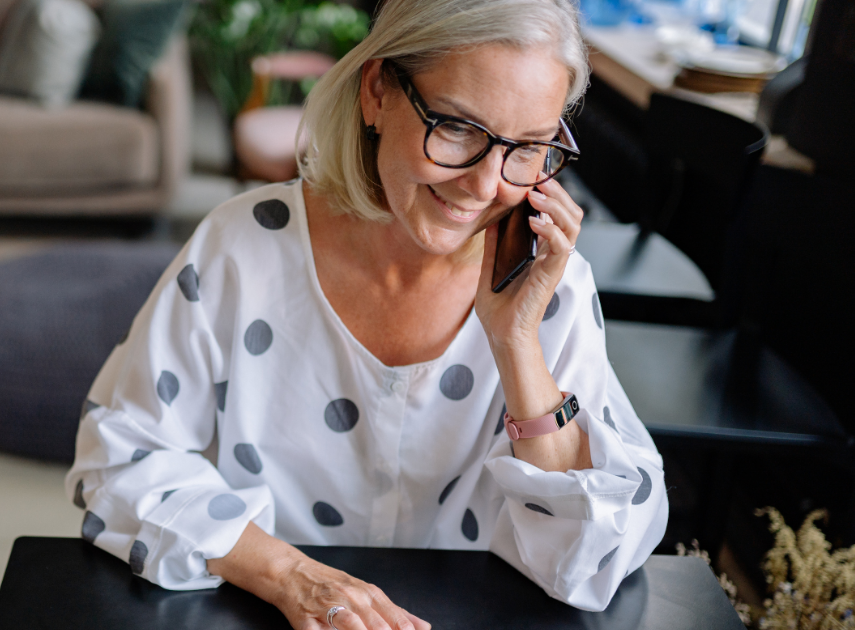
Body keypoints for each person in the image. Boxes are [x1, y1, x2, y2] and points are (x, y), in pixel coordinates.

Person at [66, 0, 669, 627]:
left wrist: (518, 343)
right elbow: (118, 459)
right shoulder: (240, 248)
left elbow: (594, 554)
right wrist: (288, 575)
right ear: (377, 91)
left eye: (529, 147)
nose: (486, 186)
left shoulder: (549, 284)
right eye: (459, 127)